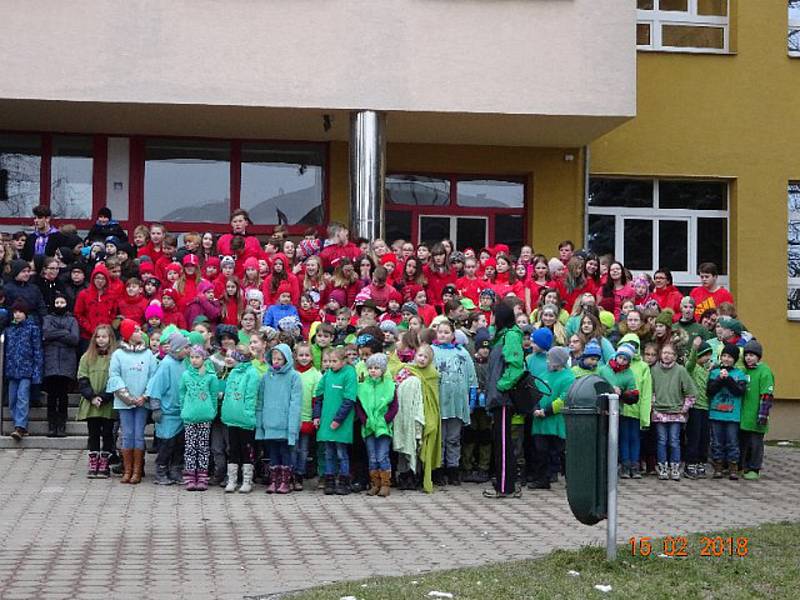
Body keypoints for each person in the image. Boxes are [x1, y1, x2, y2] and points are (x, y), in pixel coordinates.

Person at [107, 319, 159, 484]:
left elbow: (153, 376)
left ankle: (137, 470)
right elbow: (114, 376)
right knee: (127, 434)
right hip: (125, 402)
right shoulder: (118, 354)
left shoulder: (148, 354)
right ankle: (127, 469)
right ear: (128, 335)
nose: (139, 333)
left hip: (141, 402)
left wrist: (144, 396)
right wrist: (127, 397)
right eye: (135, 331)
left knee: (138, 435)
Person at [484, 301, 525, 499]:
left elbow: (516, 366)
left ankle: (504, 486)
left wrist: (502, 386)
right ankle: (504, 482)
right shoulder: (501, 336)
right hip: (498, 398)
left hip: (503, 399)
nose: (490, 319)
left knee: (503, 442)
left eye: (492, 316)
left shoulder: (510, 336)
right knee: (500, 441)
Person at [431, 320, 477, 486]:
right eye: (440, 332)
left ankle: (453, 468)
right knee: (440, 438)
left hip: (457, 403)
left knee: (453, 438)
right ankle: (439, 468)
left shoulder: (462, 353)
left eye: (446, 332)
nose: (442, 335)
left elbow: (471, 377)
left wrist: (472, 398)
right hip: (439, 402)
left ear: (452, 335)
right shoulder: (431, 352)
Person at [256, 344, 304, 494]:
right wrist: (260, 424)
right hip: (269, 422)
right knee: (273, 453)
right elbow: (260, 401)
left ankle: (285, 481)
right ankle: (274, 480)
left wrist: (292, 426)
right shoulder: (266, 377)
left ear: (287, 359)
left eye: (279, 358)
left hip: (285, 424)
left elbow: (295, 404)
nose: (276, 361)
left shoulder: (294, 377)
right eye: (274, 358)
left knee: (285, 452)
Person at [313, 347, 358, 495]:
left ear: (344, 361)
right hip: (326, 421)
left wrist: (338, 420)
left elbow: (349, 399)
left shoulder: (350, 373)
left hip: (341, 423)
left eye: (334, 361)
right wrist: (317, 416)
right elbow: (318, 396)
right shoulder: (328, 374)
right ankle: (329, 481)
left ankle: (344, 481)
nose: (331, 364)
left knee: (341, 453)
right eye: (329, 361)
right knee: (328, 453)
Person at [529, 346, 575, 490]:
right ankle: (542, 479)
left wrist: (547, 411)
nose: (547, 361)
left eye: (550, 358)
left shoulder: (569, 377)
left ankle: (572, 480)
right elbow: (534, 393)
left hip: (556, 421)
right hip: (540, 421)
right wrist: (535, 408)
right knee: (540, 451)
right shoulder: (543, 375)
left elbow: (564, 399)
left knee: (562, 452)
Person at [650, 344, 697, 481]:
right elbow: (650, 390)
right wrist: (653, 406)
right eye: (664, 352)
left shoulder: (681, 370)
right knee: (661, 440)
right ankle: (663, 467)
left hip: (676, 413)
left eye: (670, 353)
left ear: (675, 356)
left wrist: (684, 409)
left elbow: (691, 392)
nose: (667, 355)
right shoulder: (654, 370)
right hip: (659, 412)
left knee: (674, 440)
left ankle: (675, 466)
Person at [76, 324, 116, 478]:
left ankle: (105, 461)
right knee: (93, 433)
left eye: (104, 336)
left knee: (107, 432)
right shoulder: (87, 357)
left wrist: (104, 397)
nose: (101, 340)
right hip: (91, 402)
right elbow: (82, 378)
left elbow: (115, 379)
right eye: (98, 336)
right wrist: (92, 396)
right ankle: (94, 460)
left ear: (110, 338)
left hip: (107, 402)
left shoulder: (115, 357)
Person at [221, 346, 261, 494]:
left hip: (245, 419)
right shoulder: (232, 373)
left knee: (247, 449)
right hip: (232, 417)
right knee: (233, 449)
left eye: (233, 356)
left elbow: (251, 397)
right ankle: (232, 479)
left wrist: (248, 413)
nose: (230, 359)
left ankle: (247, 480)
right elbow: (228, 394)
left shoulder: (252, 374)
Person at [356, 353, 397, 497]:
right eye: (371, 367)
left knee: (382, 455)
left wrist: (385, 420)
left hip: (383, 427)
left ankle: (385, 484)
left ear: (383, 370)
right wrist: (365, 420)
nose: (373, 370)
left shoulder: (389, 385)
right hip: (368, 426)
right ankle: (375, 483)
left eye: (377, 368)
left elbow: (393, 406)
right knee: (372, 457)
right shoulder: (363, 386)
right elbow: (359, 406)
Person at [179, 345, 219, 491]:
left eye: (197, 357)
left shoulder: (210, 376)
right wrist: (183, 409)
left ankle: (202, 475)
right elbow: (182, 394)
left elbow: (214, 396)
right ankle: (190, 475)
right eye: (192, 357)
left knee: (203, 447)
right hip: (189, 416)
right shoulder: (185, 375)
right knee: (190, 446)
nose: (194, 360)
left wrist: (212, 411)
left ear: (204, 358)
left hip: (205, 417)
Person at [598, 343, 641, 478]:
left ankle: (619, 465)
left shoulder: (629, 375)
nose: (621, 361)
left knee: (614, 439)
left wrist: (622, 394)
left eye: (625, 359)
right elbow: (597, 386)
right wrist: (609, 390)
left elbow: (634, 396)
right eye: (620, 357)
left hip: (617, 411)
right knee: (602, 438)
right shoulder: (604, 370)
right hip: (602, 409)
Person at [707, 344, 748, 480]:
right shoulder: (714, 373)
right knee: (717, 442)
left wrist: (728, 380)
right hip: (716, 414)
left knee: (732, 442)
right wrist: (720, 379)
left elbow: (739, 391)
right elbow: (710, 391)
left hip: (732, 416)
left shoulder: (739, 374)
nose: (726, 359)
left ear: (735, 359)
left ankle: (733, 468)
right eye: (724, 356)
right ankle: (718, 467)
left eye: (730, 357)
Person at [42, 292, 79, 437]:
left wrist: (56, 334)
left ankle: (62, 425)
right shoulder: (47, 318)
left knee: (63, 396)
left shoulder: (72, 320)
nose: (59, 305)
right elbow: (46, 334)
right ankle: (52, 425)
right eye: (57, 303)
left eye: (62, 303)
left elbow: (74, 339)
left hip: (66, 362)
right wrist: (64, 332)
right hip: (51, 360)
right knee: (52, 396)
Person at [5, 300, 44, 440]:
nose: (17, 315)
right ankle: (19, 424)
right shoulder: (9, 330)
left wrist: (37, 372)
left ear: (26, 313)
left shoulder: (32, 329)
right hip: (12, 370)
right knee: (13, 400)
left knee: (22, 397)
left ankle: (20, 426)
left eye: (20, 312)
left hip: (27, 370)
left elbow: (37, 351)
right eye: (15, 312)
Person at [739, 340, 775, 480]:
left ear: (758, 357)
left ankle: (754, 468)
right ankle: (743, 466)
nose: (749, 357)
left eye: (752, 355)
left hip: (756, 417)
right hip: (743, 416)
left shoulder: (764, 371)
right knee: (743, 443)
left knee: (755, 444)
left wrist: (762, 415)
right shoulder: (743, 370)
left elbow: (767, 395)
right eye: (747, 355)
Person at [461, 327, 492, 484]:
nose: (485, 350)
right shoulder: (470, 363)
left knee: (485, 436)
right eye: (482, 347)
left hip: (486, 407)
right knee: (469, 435)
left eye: (487, 347)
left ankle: (483, 467)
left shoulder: (492, 364)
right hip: (472, 405)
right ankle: (467, 466)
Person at [292, 342, 322, 490]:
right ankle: (290, 475)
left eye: (307, 355)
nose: (304, 358)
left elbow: (316, 399)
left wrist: (314, 418)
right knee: (293, 448)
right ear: (296, 356)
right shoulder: (291, 373)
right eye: (301, 355)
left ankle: (299, 474)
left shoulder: (316, 375)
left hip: (307, 418)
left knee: (304, 450)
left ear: (311, 357)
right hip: (292, 418)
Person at [683, 338, 713, 479]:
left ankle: (701, 461)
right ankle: (690, 463)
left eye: (709, 355)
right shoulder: (692, 369)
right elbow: (690, 363)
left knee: (704, 437)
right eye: (705, 355)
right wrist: (694, 349)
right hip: (695, 407)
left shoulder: (708, 371)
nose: (707, 358)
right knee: (693, 436)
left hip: (706, 408)